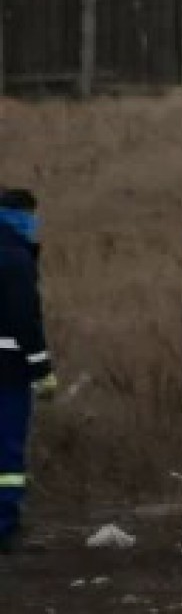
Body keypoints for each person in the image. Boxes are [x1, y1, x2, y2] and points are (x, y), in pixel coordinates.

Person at [0, 188, 53, 554]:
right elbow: (24, 319)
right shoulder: (14, 257)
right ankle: (5, 523)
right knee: (8, 452)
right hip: (7, 371)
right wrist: (42, 368)